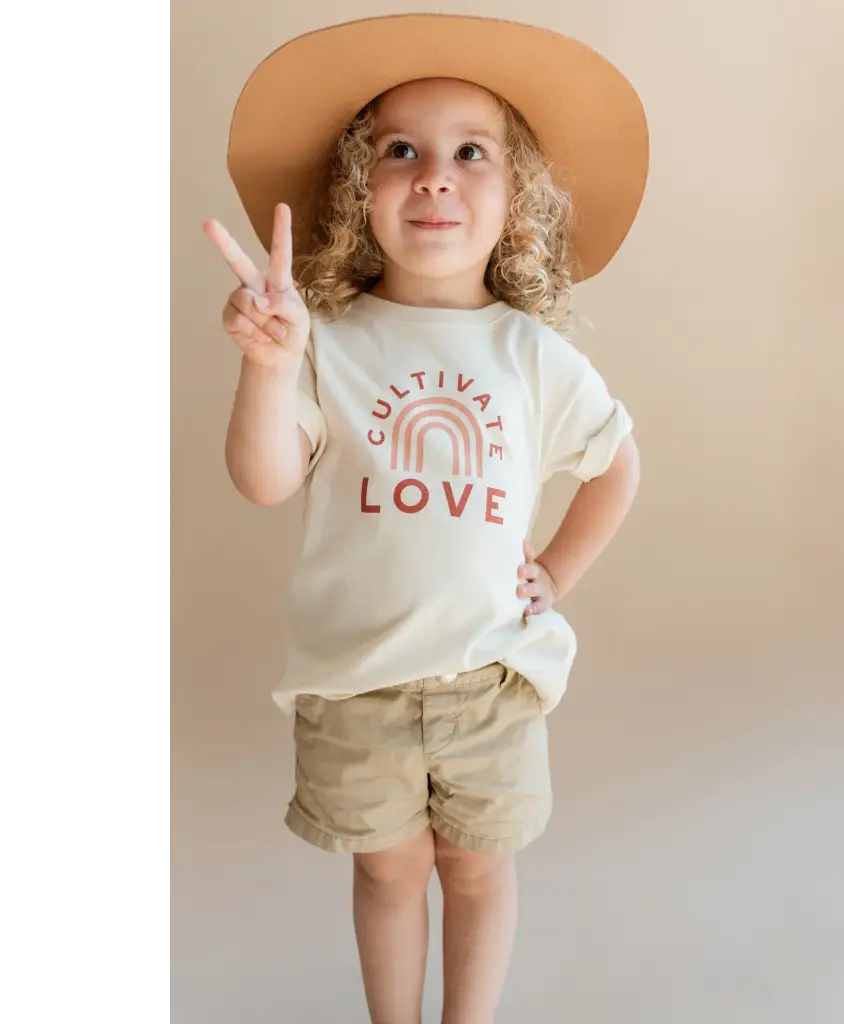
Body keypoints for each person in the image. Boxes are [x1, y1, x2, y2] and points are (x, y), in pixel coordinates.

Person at [203, 14, 648, 1024]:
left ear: (516, 200)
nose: (434, 176)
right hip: (355, 682)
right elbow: (265, 478)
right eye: (400, 149)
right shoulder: (329, 341)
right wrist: (269, 367)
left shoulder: (530, 355)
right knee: (391, 872)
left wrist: (558, 574)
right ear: (361, 191)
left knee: (479, 871)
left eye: (469, 153)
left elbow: (616, 461)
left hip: (490, 677)